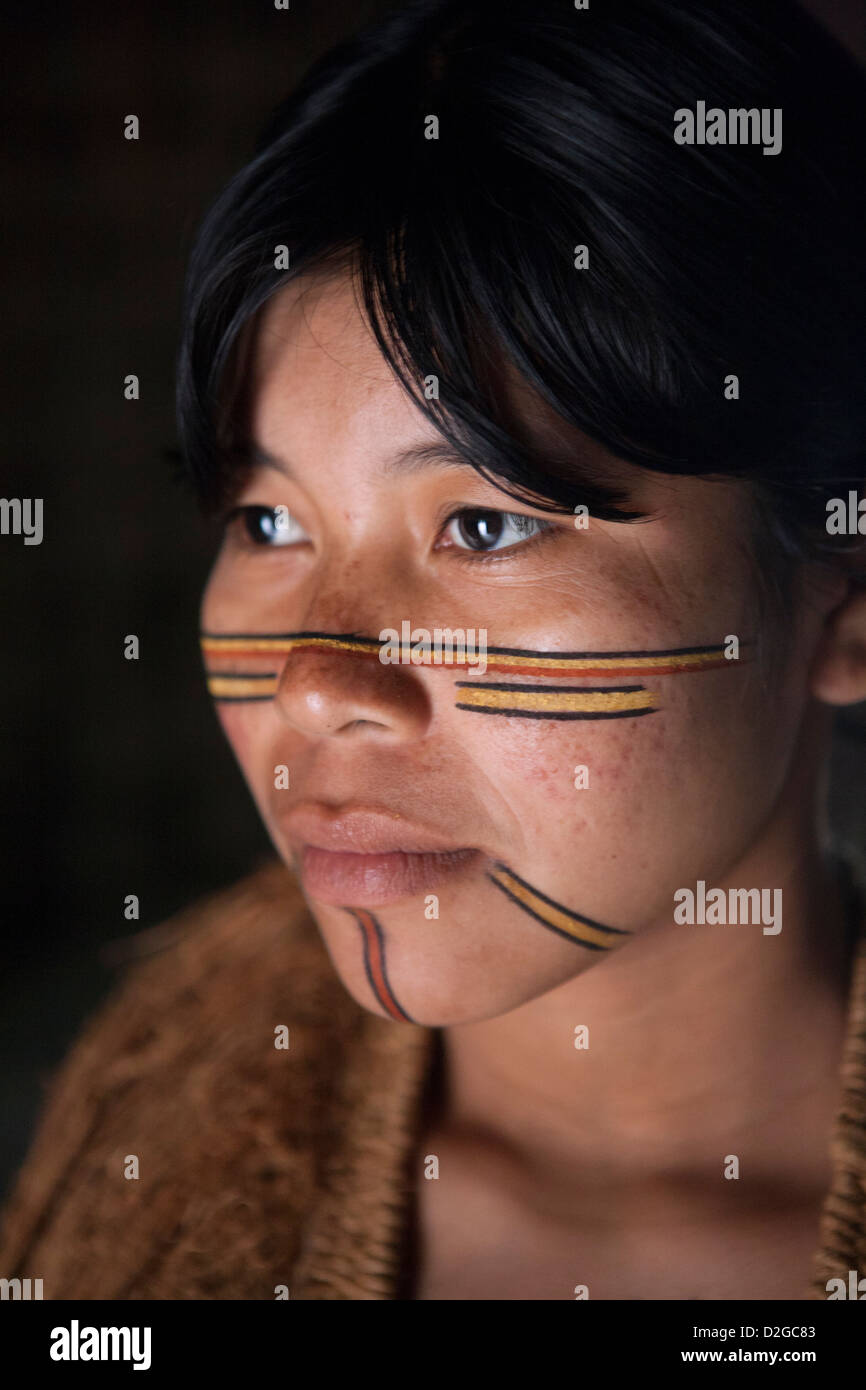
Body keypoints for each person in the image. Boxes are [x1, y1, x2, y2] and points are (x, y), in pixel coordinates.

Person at [2, 0, 865, 1300]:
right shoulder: (150, 1114)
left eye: (482, 521)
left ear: (842, 596)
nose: (313, 681)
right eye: (268, 517)